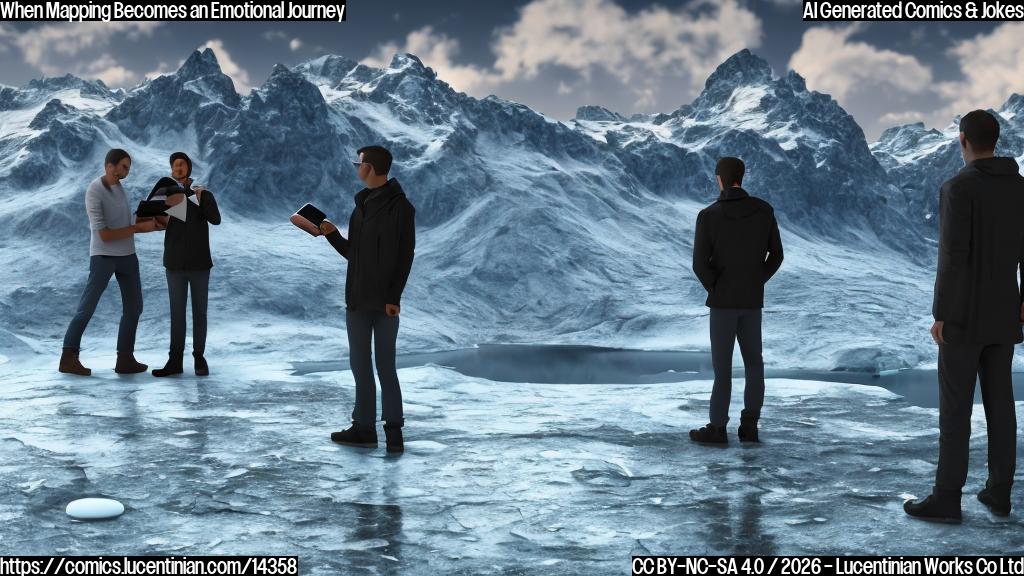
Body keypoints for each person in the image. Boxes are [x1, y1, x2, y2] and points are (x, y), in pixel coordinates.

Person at [904, 110, 1024, 523]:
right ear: (996, 140)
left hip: (964, 316)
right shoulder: (1021, 188)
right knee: (1001, 404)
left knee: (955, 409)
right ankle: (999, 492)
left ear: (963, 141)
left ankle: (947, 498)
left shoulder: (958, 187)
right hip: (1006, 312)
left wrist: (942, 314)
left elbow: (953, 257)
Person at [319, 145, 416, 453]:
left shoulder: (401, 208)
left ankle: (394, 432)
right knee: (360, 365)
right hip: (357, 301)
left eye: (358, 164)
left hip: (384, 302)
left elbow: (405, 257)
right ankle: (363, 428)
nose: (356, 169)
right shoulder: (360, 205)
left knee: (385, 367)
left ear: (370, 168)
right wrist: (332, 234)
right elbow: (354, 254)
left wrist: (393, 296)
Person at [689, 157, 784, 444]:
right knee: (755, 363)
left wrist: (717, 288)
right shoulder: (763, 210)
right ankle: (750, 426)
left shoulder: (709, 215)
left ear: (720, 178)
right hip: (752, 301)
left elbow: (699, 264)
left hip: (722, 304)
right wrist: (756, 281)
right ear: (740, 177)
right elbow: (776, 255)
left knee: (723, 368)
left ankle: (718, 428)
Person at [59, 148, 158, 376]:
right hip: (103, 257)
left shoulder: (121, 189)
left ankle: (125, 359)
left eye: (128, 168)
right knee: (87, 307)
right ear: (109, 166)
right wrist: (135, 228)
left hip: (128, 256)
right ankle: (67, 357)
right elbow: (104, 234)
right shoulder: (94, 190)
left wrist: (147, 225)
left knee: (134, 308)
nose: (126, 172)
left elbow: (125, 222)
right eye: (123, 166)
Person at [146, 152, 221, 377]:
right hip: (174, 264)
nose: (178, 168)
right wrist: (162, 208)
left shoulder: (203, 193)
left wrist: (202, 198)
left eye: (182, 164)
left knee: (200, 313)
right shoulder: (165, 194)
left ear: (188, 168)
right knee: (177, 314)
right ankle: (174, 361)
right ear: (171, 171)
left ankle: (199, 357)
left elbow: (216, 220)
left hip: (200, 264)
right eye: (174, 165)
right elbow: (149, 217)